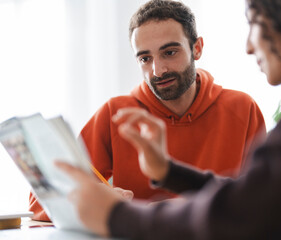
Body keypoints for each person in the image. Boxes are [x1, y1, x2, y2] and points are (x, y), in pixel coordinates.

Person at [57, 0, 281, 238]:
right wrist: (168, 172)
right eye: (145, 58)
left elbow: (251, 209)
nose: (248, 46)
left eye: (254, 22)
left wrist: (115, 216)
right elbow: (258, 197)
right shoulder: (115, 112)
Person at [29, 0, 266, 221]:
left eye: (169, 52)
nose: (157, 70)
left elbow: (267, 200)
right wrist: (92, 199)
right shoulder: (116, 114)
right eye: (145, 58)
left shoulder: (243, 109)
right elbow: (41, 201)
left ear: (197, 48)